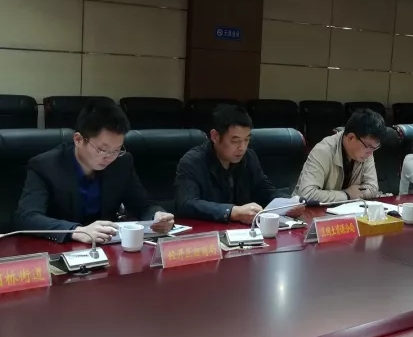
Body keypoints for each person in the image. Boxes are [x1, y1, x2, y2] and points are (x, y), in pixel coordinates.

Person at [14, 100, 174, 243]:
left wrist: (156, 216)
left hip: (106, 247)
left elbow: (143, 205)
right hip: (60, 249)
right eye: (102, 150)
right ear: (78, 139)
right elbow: (27, 217)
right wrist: (76, 231)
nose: (110, 157)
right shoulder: (45, 166)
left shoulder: (122, 163)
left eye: (117, 150)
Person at [175, 105, 301, 224]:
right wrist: (231, 212)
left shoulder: (249, 157)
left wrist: (288, 204)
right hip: (207, 233)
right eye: (235, 141)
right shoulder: (193, 161)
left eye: (246, 140)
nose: (242, 147)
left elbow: (264, 190)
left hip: (244, 232)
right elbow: (186, 204)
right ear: (215, 136)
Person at [294, 109, 385, 202]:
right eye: (368, 146)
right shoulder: (323, 151)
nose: (370, 153)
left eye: (375, 148)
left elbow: (372, 188)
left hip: (344, 209)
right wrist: (347, 195)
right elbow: (307, 194)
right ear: (351, 137)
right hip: (304, 210)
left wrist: (357, 194)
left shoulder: (367, 152)